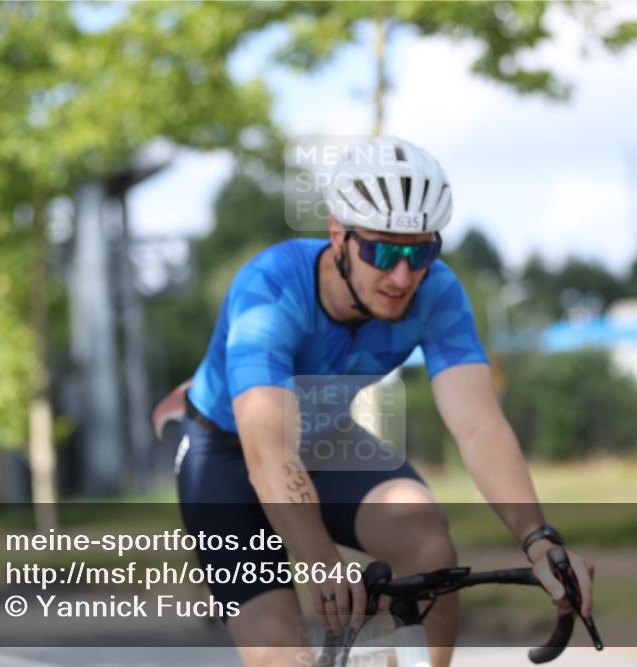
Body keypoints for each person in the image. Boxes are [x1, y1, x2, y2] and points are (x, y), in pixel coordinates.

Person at [175, 136, 593, 667]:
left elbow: (479, 427)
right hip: (228, 456)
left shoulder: (436, 293)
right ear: (338, 235)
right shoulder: (271, 287)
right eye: (383, 250)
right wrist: (322, 564)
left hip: (323, 442)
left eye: (421, 251)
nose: (402, 276)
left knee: (426, 537)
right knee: (282, 655)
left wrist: (539, 540)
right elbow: (268, 453)